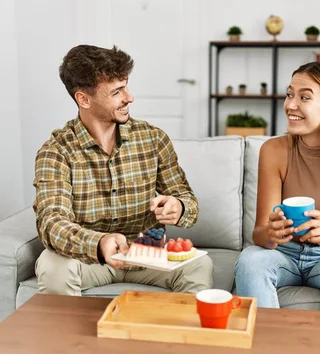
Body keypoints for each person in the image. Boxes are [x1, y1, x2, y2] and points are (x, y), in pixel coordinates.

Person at [33, 44, 213, 296]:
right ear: (83, 98)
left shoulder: (152, 139)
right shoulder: (57, 151)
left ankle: (181, 335)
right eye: (117, 91)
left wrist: (179, 206)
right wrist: (98, 243)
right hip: (91, 260)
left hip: (147, 255)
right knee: (52, 266)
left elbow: (188, 202)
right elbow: (52, 222)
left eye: (126, 86)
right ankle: (70, 336)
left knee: (199, 264)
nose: (129, 97)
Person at [234, 61, 320, 313]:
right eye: (290, 95)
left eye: (304, 97)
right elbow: (259, 235)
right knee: (250, 260)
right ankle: (267, 350)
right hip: (282, 254)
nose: (290, 105)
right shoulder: (274, 151)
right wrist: (272, 233)